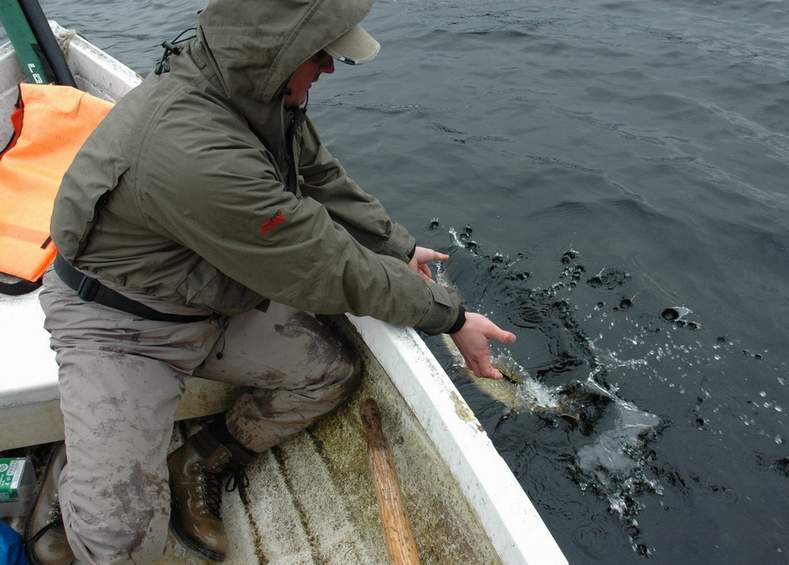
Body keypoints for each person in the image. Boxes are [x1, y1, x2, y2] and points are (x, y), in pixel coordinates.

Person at [29, 0, 516, 563]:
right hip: (120, 325)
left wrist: (398, 247)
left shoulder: (257, 98)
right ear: (274, 55)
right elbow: (325, 266)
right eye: (321, 55)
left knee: (330, 373)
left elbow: (321, 177)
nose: (329, 68)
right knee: (121, 545)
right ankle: (71, 479)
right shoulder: (200, 154)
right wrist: (450, 316)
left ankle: (200, 459)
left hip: (208, 299)